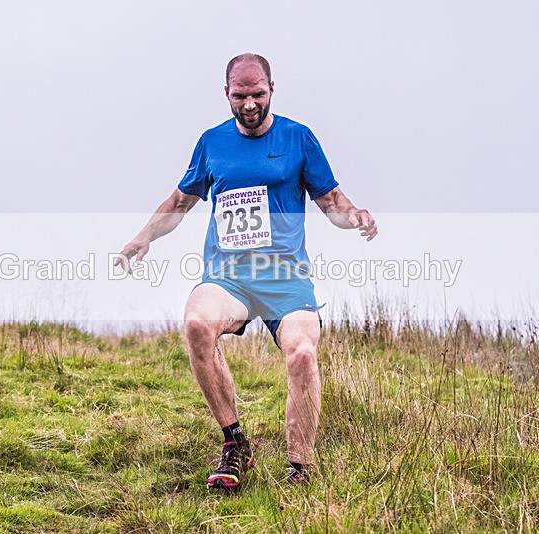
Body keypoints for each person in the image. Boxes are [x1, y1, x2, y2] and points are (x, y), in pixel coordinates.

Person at [115, 53, 378, 490]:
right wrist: (143, 237)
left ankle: (300, 467)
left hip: (285, 277)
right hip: (229, 275)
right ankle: (235, 443)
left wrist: (356, 216)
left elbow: (331, 200)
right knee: (198, 323)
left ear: (272, 90)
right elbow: (179, 203)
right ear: (227, 94)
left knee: (303, 354)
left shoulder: (298, 138)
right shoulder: (212, 142)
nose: (250, 104)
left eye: (258, 94)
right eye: (240, 96)